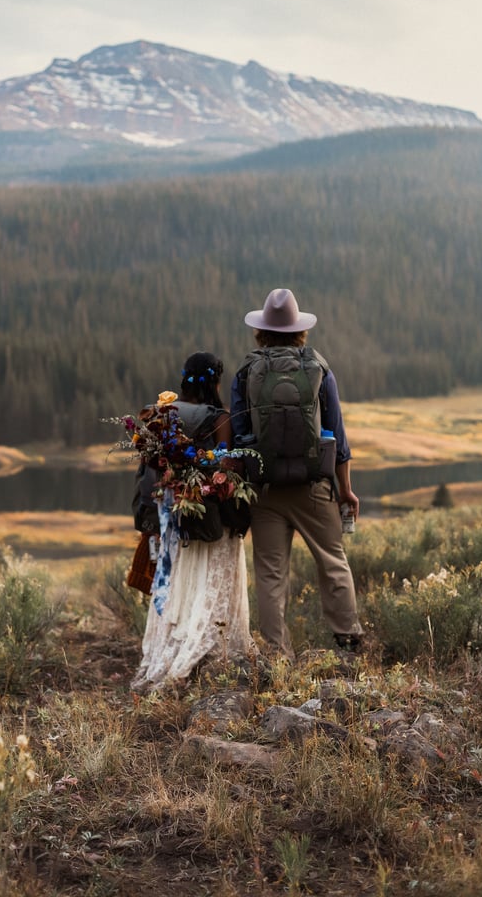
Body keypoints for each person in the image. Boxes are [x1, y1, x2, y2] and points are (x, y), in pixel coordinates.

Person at [230, 288, 363, 656]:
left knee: (271, 575)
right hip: (314, 487)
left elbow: (240, 439)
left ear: (261, 331)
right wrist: (346, 489)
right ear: (300, 330)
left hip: (266, 491)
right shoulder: (318, 369)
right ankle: (347, 643)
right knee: (333, 561)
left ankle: (277, 654)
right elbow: (337, 435)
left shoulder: (245, 373)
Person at [131, 352, 256, 693]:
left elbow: (149, 471)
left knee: (178, 586)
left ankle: (170, 646)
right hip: (210, 520)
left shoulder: (161, 414)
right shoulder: (221, 418)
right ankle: (208, 651)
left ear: (184, 379)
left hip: (173, 522)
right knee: (209, 584)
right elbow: (226, 466)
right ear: (215, 382)